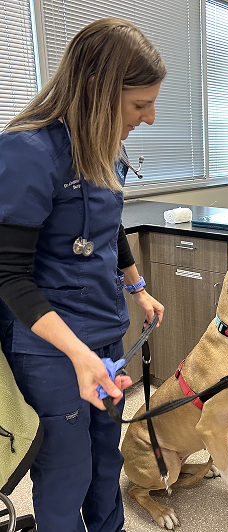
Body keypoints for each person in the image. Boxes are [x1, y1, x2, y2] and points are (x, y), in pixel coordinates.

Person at [0, 18, 166, 532]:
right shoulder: (27, 152)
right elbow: (8, 275)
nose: (151, 118)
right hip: (52, 350)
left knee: (105, 462)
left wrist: (137, 287)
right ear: (98, 89)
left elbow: (107, 225)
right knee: (67, 472)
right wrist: (77, 355)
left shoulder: (102, 146)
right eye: (140, 105)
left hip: (104, 337)